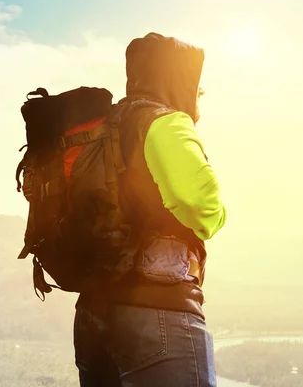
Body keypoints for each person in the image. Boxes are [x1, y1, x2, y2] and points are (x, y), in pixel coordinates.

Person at [73, 32, 227, 387]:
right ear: (178, 80)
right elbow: (201, 205)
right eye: (196, 86)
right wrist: (219, 216)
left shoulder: (104, 127)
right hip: (158, 311)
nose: (198, 95)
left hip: (94, 313)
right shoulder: (165, 122)